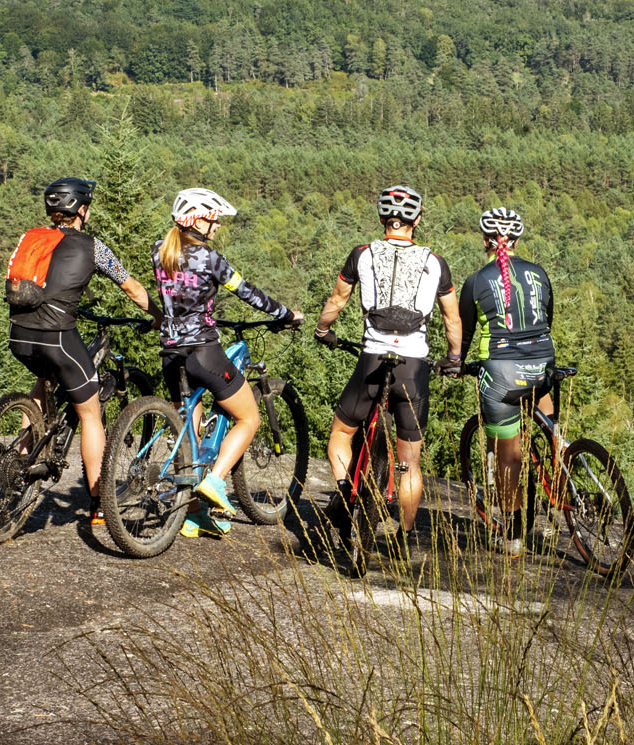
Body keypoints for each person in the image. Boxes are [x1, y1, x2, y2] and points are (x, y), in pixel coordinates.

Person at [313, 184, 462, 554]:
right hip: (413, 367)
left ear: (382, 218)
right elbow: (452, 319)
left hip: (372, 360)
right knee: (410, 462)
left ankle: (348, 498)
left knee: (340, 436)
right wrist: (454, 358)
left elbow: (337, 299)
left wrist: (323, 330)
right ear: (417, 220)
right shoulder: (435, 262)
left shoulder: (361, 254)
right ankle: (405, 537)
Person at [4, 177, 153, 524]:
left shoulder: (33, 238)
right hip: (56, 337)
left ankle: (21, 464)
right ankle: (100, 504)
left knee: (43, 383)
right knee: (89, 414)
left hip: (19, 335)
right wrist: (158, 316)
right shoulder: (93, 247)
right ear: (81, 209)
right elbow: (131, 287)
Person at [153, 186, 298, 537]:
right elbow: (247, 292)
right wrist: (285, 313)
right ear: (196, 222)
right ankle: (216, 483)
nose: (216, 226)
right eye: (212, 220)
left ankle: (192, 514)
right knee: (249, 418)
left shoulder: (159, 251)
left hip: (171, 354)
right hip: (203, 351)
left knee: (190, 434)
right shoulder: (210, 260)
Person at [455, 206, 554, 557]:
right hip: (543, 365)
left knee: (508, 457)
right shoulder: (539, 273)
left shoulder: (477, 280)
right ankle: (560, 471)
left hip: (501, 373)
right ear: (516, 239)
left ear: (486, 241)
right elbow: (548, 320)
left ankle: (513, 537)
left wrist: (455, 364)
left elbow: (463, 337)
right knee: (548, 422)